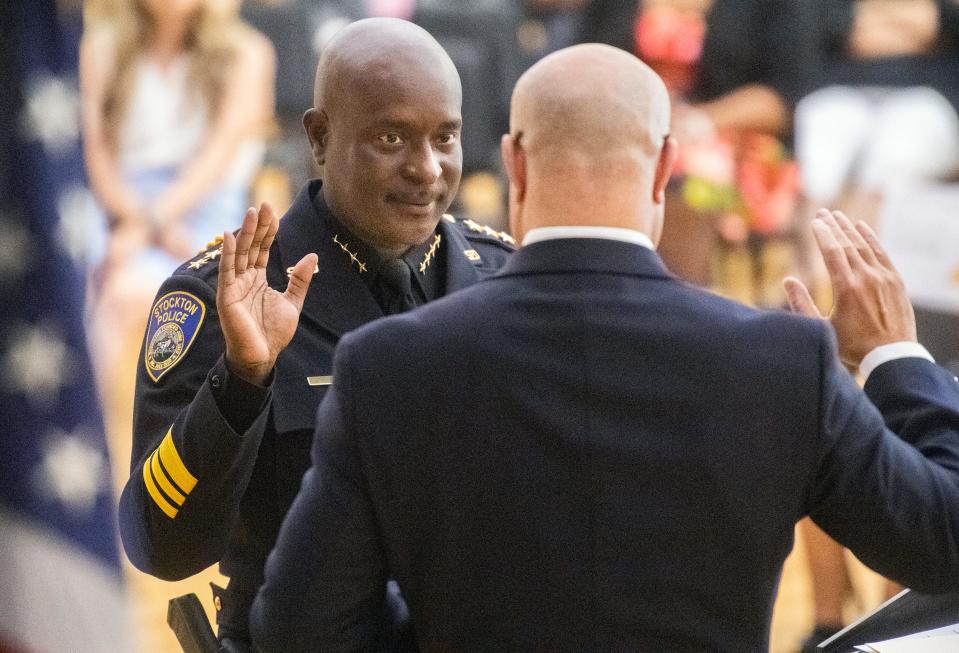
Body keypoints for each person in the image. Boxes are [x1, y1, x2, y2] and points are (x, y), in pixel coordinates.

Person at [250, 44, 959, 651]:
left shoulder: (387, 365)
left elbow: (298, 630)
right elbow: (943, 541)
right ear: (662, 170)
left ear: (514, 165)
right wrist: (895, 361)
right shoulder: (782, 361)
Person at [117, 17, 514, 651]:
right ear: (320, 137)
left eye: (445, 138)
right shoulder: (225, 295)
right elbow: (157, 545)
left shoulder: (508, 283)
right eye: (392, 137)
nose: (426, 169)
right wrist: (241, 384)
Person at [80, 0, 276, 393]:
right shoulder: (99, 49)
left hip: (204, 205)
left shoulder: (248, 53)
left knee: (125, 295)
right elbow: (94, 151)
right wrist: (138, 223)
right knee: (76, 281)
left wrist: (150, 226)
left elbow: (217, 157)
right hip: (118, 207)